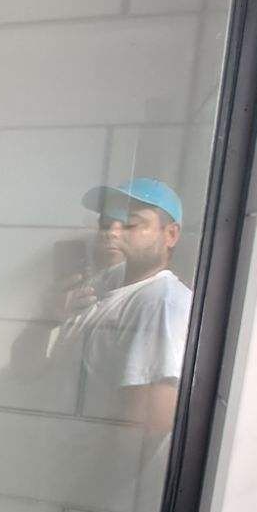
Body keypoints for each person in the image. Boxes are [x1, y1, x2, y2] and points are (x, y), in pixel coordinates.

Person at [52, 177, 191, 441]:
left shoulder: (161, 302)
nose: (112, 232)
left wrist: (94, 468)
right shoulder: (103, 283)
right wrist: (45, 317)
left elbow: (149, 425)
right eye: (107, 223)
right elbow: (28, 371)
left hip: (96, 464)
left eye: (131, 223)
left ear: (170, 235)